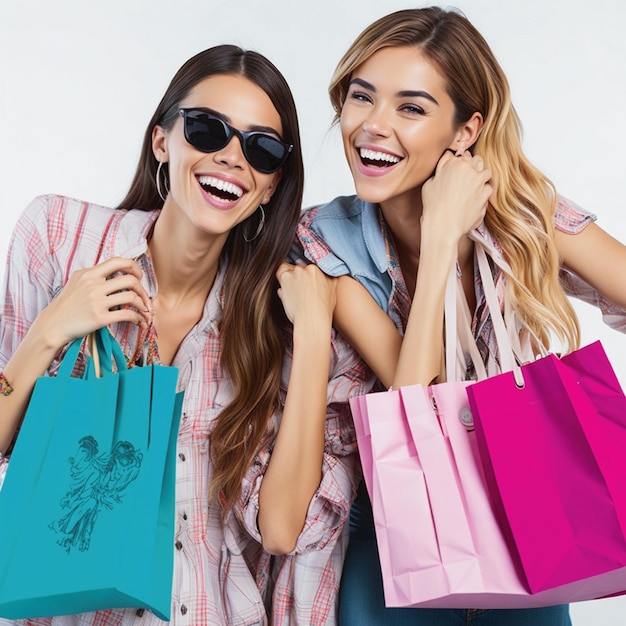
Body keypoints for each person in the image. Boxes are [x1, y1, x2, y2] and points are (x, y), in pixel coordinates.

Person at [0, 44, 374, 625]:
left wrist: (315, 335)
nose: (231, 157)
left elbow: (279, 530)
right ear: (161, 141)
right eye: (206, 129)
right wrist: (50, 331)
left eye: (261, 148)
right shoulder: (57, 237)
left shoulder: (269, 322)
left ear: (272, 185)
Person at [295, 6, 626, 626]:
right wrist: (444, 237)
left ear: (464, 131)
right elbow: (409, 407)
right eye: (361, 97)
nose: (372, 126)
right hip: (397, 534)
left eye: (411, 108)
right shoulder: (324, 240)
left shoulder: (520, 211)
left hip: (529, 513)